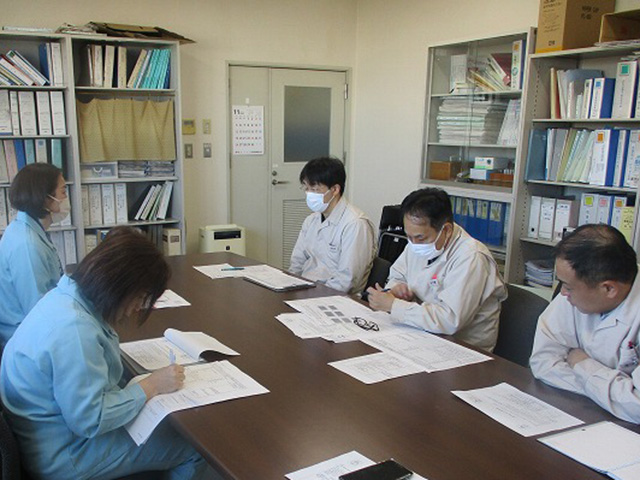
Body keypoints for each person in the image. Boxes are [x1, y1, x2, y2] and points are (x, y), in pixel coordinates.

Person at [0, 227, 207, 479]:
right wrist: (152, 385)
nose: (136, 309)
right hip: (66, 456)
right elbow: (91, 420)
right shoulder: (75, 330)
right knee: (193, 448)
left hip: (44, 436)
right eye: (141, 298)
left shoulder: (65, 295)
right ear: (119, 287)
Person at [367, 188, 506, 351]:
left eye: (419, 237)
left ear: (446, 230)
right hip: (421, 334)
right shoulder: (418, 242)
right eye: (409, 236)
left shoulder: (471, 257)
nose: (413, 243)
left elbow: (449, 320)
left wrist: (394, 306)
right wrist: (396, 289)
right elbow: (398, 274)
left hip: (462, 348)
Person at [530, 224, 640, 423]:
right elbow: (543, 363)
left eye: (569, 287)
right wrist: (609, 390)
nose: (562, 293)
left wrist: (582, 364)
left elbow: (636, 406)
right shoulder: (573, 296)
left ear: (608, 289)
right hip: (584, 414)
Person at [0, 163, 67, 345]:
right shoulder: (27, 245)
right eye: (63, 191)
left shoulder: (27, 229)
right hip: (27, 340)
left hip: (36, 329)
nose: (66, 197)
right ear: (46, 198)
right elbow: (37, 310)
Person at [289, 157, 376, 294]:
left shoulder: (355, 224)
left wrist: (312, 295)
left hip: (335, 297)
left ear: (335, 189)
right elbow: (297, 262)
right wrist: (290, 285)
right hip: (307, 289)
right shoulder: (312, 220)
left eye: (314, 189)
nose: (309, 194)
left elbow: (347, 280)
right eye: (306, 188)